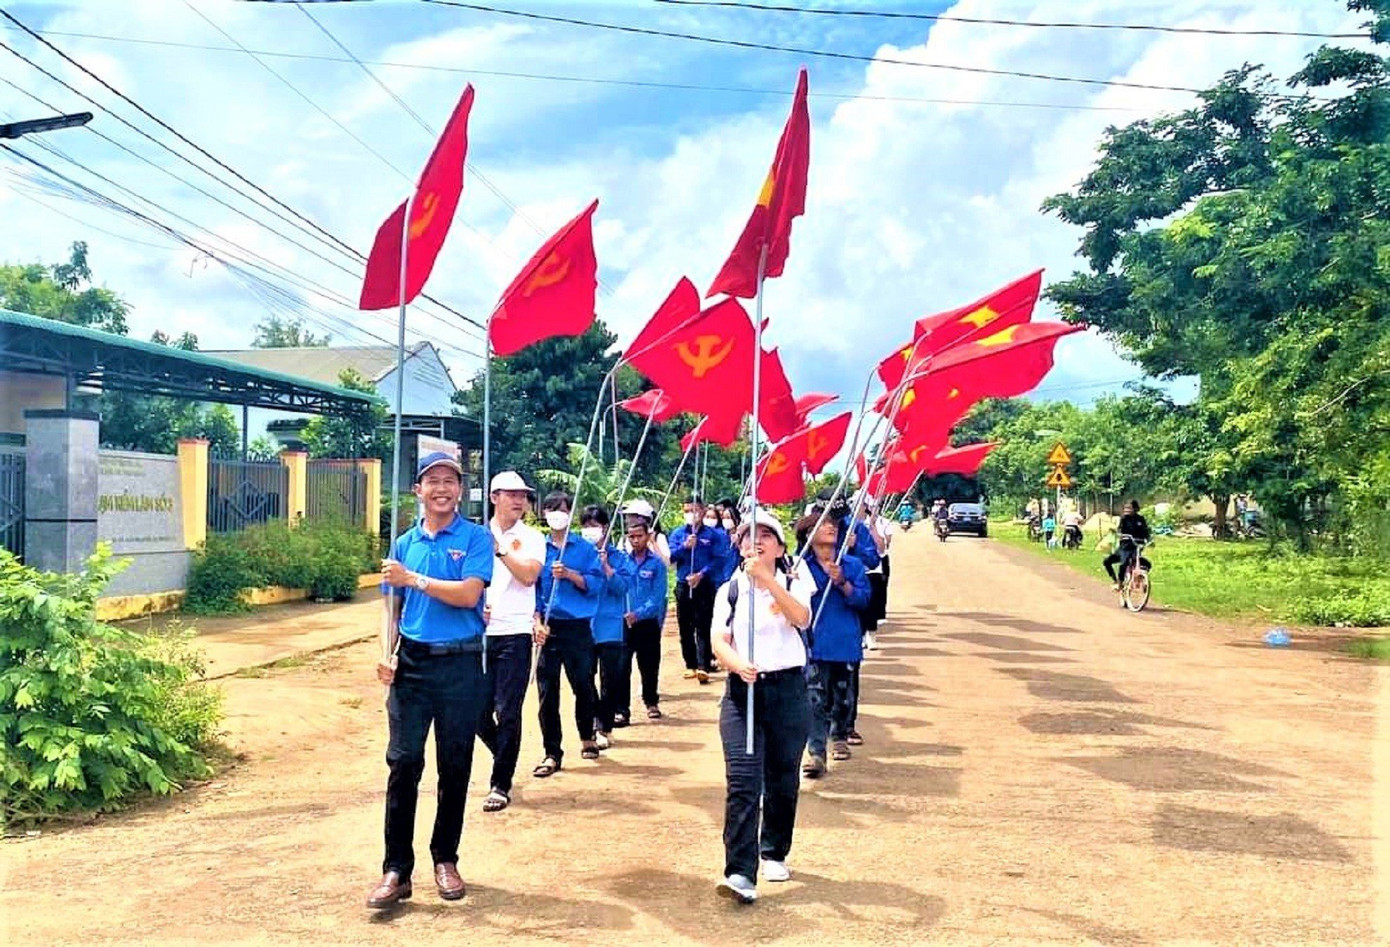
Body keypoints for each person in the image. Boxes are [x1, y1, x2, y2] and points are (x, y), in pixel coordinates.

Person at [368, 452, 494, 909]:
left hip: (460, 665)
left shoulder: (476, 538)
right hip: (413, 666)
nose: (441, 488)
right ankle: (396, 869)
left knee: (455, 764)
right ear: (417, 490)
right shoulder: (403, 543)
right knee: (403, 763)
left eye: (450, 481)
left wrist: (415, 579)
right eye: (432, 481)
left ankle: (446, 857)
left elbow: (468, 595)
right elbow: (391, 608)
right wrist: (386, 654)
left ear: (460, 490)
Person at [711, 510, 814, 904]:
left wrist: (769, 581)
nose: (755, 541)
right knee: (742, 783)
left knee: (782, 778)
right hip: (743, 695)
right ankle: (739, 871)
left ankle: (774, 850)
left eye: (765, 536)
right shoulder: (730, 591)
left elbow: (801, 619)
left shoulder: (792, 581)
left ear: (779, 546)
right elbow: (719, 640)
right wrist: (737, 664)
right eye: (747, 536)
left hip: (787, 693)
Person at [476, 471, 544, 814]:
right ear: (494, 497)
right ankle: (505, 752)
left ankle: (500, 783)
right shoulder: (473, 535)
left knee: (508, 711)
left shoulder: (532, 538)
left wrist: (500, 550)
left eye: (523, 495)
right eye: (510, 494)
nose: (519, 500)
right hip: (478, 634)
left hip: (515, 634)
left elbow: (529, 575)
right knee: (475, 711)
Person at [532, 491, 604, 777]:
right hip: (548, 629)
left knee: (583, 685)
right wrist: (536, 620)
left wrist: (571, 575)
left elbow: (596, 585)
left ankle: (587, 736)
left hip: (577, 628)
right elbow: (531, 589)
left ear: (570, 513)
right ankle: (552, 752)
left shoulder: (583, 549)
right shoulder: (538, 548)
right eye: (550, 509)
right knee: (547, 692)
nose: (555, 514)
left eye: (561, 509)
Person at [797, 513, 871, 779]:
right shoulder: (799, 568)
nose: (831, 528)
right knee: (815, 698)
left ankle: (839, 734)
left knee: (843, 695)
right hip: (814, 642)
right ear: (808, 533)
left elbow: (863, 600)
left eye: (833, 525)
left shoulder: (851, 565)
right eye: (823, 524)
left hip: (844, 641)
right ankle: (816, 752)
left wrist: (841, 582)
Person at [579, 505, 633, 746]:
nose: (591, 531)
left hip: (610, 626)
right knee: (584, 679)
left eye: (595, 526)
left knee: (610, 679)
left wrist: (606, 567)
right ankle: (590, 723)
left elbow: (622, 588)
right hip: (583, 624)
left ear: (606, 529)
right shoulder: (578, 554)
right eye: (587, 526)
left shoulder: (619, 557)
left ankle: (605, 726)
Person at [670, 495, 732, 684]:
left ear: (703, 511)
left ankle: (703, 664)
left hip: (704, 584)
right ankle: (690, 664)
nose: (691, 514)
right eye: (687, 511)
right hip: (683, 583)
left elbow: (719, 559)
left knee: (703, 624)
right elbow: (670, 557)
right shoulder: (678, 534)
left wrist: (701, 574)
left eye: (695, 510)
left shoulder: (713, 535)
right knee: (685, 625)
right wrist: (684, 546)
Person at [618, 517, 668, 721]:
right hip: (623, 623)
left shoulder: (656, 564)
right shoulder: (622, 561)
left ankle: (651, 701)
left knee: (649, 664)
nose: (635, 540)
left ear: (648, 536)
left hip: (647, 622)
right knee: (622, 666)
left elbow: (657, 597)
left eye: (639, 536)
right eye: (631, 537)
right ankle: (622, 709)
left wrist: (637, 614)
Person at [1103, 499, 1152, 589]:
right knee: (1111, 562)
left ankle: (1142, 579)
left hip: (1136, 546)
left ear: (1136, 509)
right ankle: (1118, 581)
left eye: (1129, 508)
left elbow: (1146, 532)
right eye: (1125, 508)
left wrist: (1149, 540)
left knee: (1147, 564)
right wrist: (1118, 533)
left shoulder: (1140, 519)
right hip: (1125, 546)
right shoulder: (1124, 519)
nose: (1127, 510)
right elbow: (1119, 530)